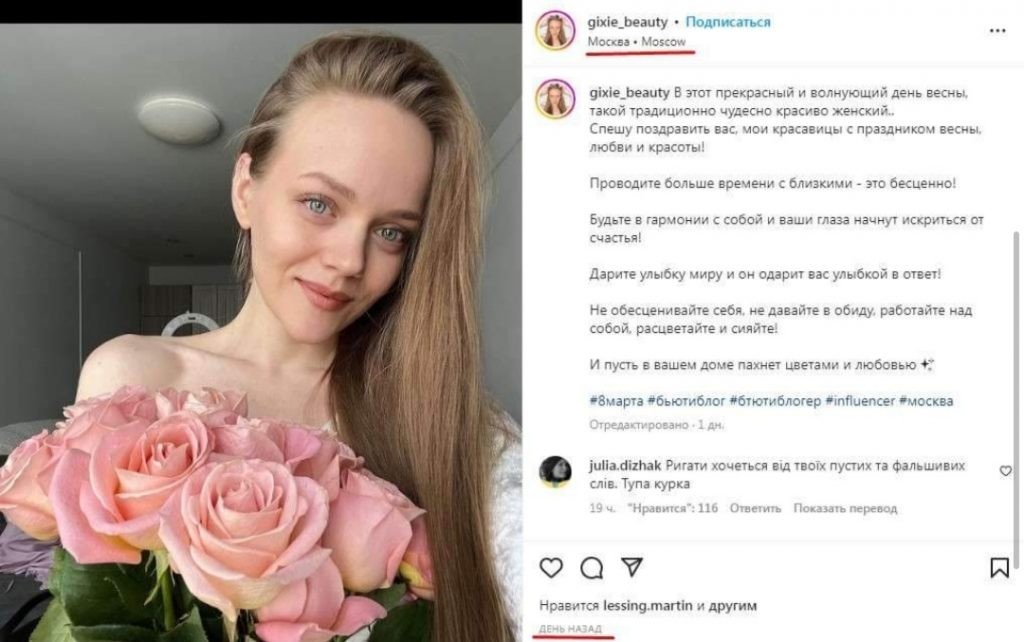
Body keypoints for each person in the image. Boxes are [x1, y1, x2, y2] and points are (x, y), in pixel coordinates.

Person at [74, 30, 520, 642]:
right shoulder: (133, 379)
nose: (350, 261)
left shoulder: (435, 413)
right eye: (319, 203)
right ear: (246, 190)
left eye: (391, 233)